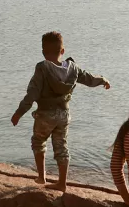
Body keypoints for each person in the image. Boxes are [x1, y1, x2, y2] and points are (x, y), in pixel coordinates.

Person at [10, 31, 111, 192]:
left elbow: (32, 93)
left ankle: (42, 176)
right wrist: (103, 80)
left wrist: (19, 113)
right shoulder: (73, 68)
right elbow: (89, 79)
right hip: (64, 115)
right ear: (62, 51)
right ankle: (62, 183)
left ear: (43, 52)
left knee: (38, 142)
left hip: (45, 115)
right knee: (61, 147)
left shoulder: (42, 68)